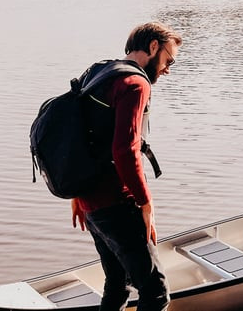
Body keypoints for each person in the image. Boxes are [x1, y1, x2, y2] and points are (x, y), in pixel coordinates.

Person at [70, 21, 181, 311]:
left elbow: (76, 136)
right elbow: (125, 150)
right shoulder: (135, 83)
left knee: (118, 284)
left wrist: (76, 195)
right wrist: (145, 203)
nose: (168, 68)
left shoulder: (99, 71)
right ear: (153, 46)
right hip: (117, 202)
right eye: (168, 59)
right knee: (155, 293)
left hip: (90, 201)